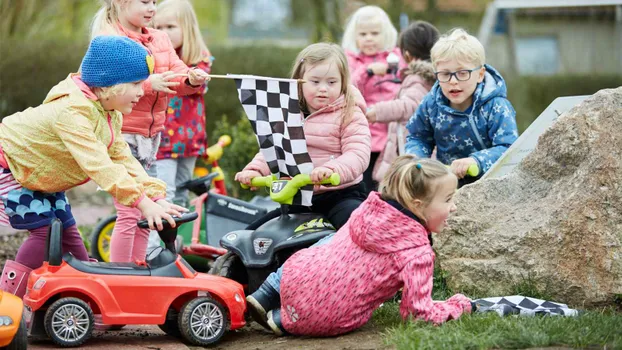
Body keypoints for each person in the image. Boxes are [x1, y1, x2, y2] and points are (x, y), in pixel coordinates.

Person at [0, 36, 184, 298]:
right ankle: (8, 301)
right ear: (111, 85)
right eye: (136, 84)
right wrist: (142, 203)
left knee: (66, 228)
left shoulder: (109, 112)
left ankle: (86, 293)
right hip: (12, 165)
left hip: (38, 173)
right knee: (44, 229)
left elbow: (122, 158)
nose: (143, 92)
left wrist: (155, 196)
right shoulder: (72, 112)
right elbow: (99, 165)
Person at [246, 155, 472, 336]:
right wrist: (457, 305)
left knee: (329, 241)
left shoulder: (367, 210)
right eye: (448, 199)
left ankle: (267, 293)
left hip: (294, 279)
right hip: (326, 317)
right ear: (418, 205)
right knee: (330, 295)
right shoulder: (417, 254)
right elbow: (418, 314)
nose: (453, 207)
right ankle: (282, 320)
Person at [91, 0, 210, 262]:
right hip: (122, 137)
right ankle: (121, 275)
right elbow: (104, 83)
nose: (152, 8)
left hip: (150, 140)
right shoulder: (110, 38)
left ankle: (139, 266)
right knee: (130, 211)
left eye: (155, 2)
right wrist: (148, 83)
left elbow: (177, 73)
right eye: (145, 2)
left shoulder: (160, 39)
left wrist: (190, 79)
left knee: (151, 210)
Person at [235, 42, 371, 231]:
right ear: (299, 80)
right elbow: (275, 148)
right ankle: (230, 260)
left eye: (332, 82)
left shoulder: (350, 113)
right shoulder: (288, 112)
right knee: (255, 233)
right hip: (298, 196)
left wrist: (332, 170)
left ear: (343, 83)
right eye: (315, 82)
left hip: (341, 195)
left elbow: (358, 153)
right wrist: (255, 171)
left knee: (357, 227)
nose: (323, 88)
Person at [404, 28, 518, 186]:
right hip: (447, 184)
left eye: (462, 73)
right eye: (445, 74)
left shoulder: (495, 106)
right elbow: (418, 136)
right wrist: (415, 160)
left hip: (491, 184)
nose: (453, 81)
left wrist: (476, 161)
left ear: (480, 74)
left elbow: (509, 148)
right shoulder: (431, 103)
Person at [154, 0, 214, 206]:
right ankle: (158, 239)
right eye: (158, 27)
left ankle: (175, 238)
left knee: (181, 192)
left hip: (189, 139)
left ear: (187, 29)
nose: (163, 32)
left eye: (170, 27)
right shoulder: (154, 58)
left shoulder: (200, 59)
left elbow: (200, 86)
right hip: (162, 139)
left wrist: (193, 77)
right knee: (164, 192)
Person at [366, 20, 439, 183]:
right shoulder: (435, 78)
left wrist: (375, 111)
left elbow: (409, 105)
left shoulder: (417, 79)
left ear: (406, 55)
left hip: (408, 147)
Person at [341, 5, 405, 192]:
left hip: (393, 132)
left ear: (385, 34)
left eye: (375, 33)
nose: (369, 38)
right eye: (363, 34)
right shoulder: (349, 60)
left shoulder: (395, 57)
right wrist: (367, 71)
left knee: (391, 184)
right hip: (365, 132)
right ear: (354, 37)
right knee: (366, 183)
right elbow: (347, 87)